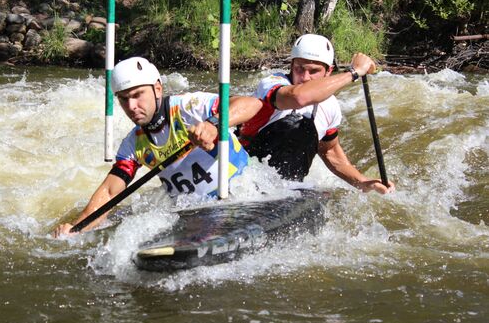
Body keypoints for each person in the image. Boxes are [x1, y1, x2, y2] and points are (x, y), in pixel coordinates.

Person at [54, 56, 261, 236]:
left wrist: (214, 124)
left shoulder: (190, 107)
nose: (131, 107)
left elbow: (253, 104)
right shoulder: (133, 145)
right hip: (197, 213)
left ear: (157, 89)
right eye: (124, 99)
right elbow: (109, 192)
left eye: (137, 95)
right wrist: (77, 228)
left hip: (244, 191)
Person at [238, 33, 394, 194]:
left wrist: (363, 182)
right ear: (291, 65)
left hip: (283, 190)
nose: (305, 77)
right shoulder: (273, 83)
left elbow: (329, 150)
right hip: (243, 180)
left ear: (328, 71)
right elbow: (299, 97)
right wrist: (353, 73)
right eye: (299, 68)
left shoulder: (330, 105)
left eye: (313, 71)